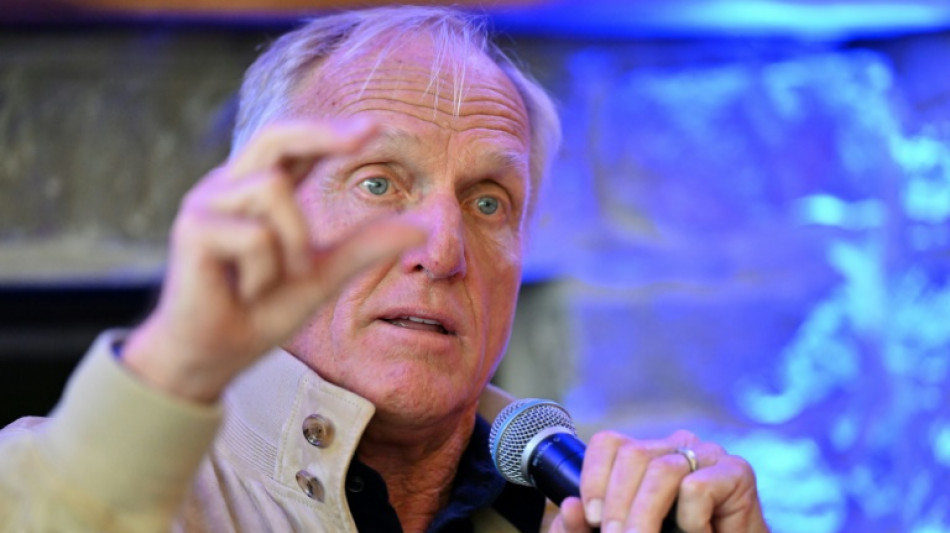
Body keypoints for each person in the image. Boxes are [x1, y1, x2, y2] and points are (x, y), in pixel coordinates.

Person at [0, 6, 769, 533]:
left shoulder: (583, 509)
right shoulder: (85, 487)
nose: (444, 251)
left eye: (490, 202)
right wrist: (175, 359)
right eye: (378, 184)